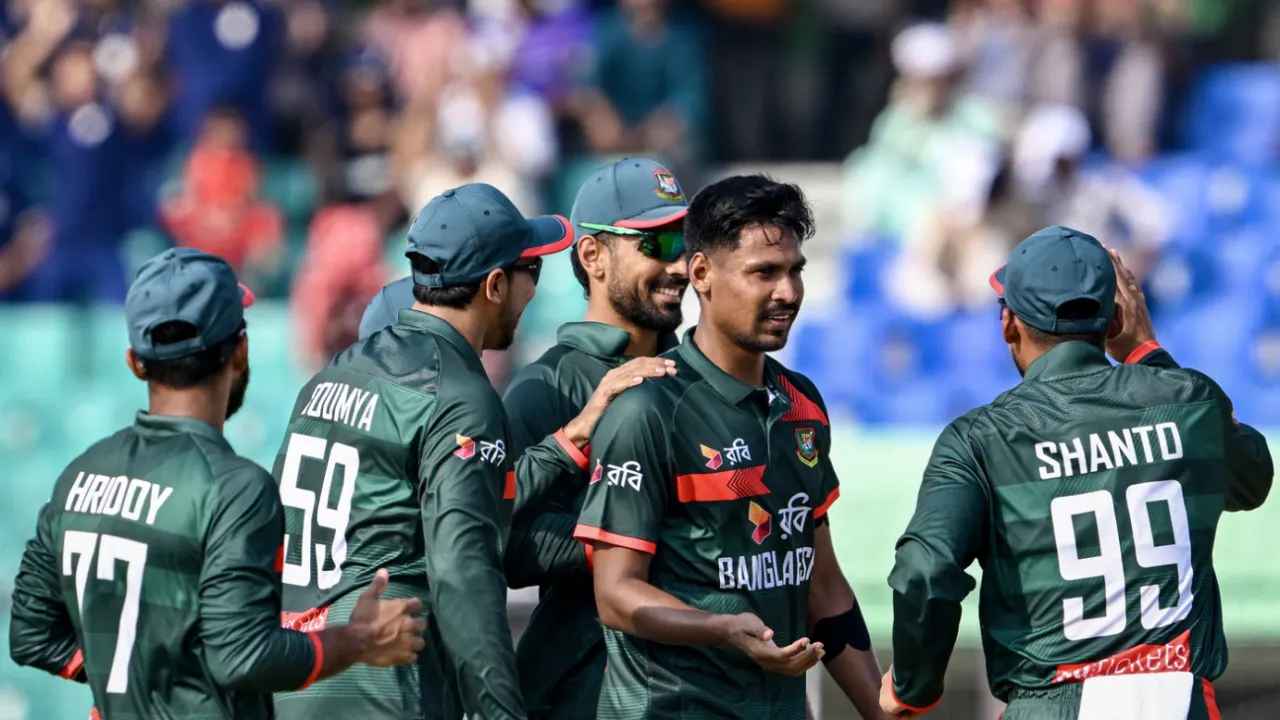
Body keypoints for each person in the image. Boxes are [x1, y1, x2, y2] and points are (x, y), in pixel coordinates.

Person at [8, 248, 425, 719]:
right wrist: (358, 640)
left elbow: (31, 634)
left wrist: (136, 680)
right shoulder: (235, 490)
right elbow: (244, 656)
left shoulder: (80, 476)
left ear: (135, 362)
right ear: (241, 350)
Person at [879, 227, 1273, 720]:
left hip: (1051, 704)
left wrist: (913, 686)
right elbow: (1251, 480)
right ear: (1115, 319)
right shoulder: (1188, 400)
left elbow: (925, 570)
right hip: (1183, 702)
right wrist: (1147, 353)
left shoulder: (978, 439)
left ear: (1009, 324)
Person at [573, 174, 888, 719]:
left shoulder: (802, 403)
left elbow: (823, 587)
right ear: (701, 274)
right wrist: (722, 628)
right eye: (764, 272)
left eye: (795, 270)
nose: (788, 292)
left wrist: (883, 712)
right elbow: (617, 596)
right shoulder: (648, 409)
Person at [269, 183, 571, 720]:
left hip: (299, 679)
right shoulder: (459, 395)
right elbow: (464, 574)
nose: (533, 291)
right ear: (495, 285)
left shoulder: (333, 373)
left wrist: (564, 447)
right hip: (386, 687)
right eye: (532, 270)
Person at [503, 157, 689, 719]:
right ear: (592, 256)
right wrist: (634, 540)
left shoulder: (699, 377)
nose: (680, 264)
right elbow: (505, 545)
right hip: (588, 692)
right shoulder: (546, 386)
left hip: (704, 685)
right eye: (656, 244)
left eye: (684, 242)